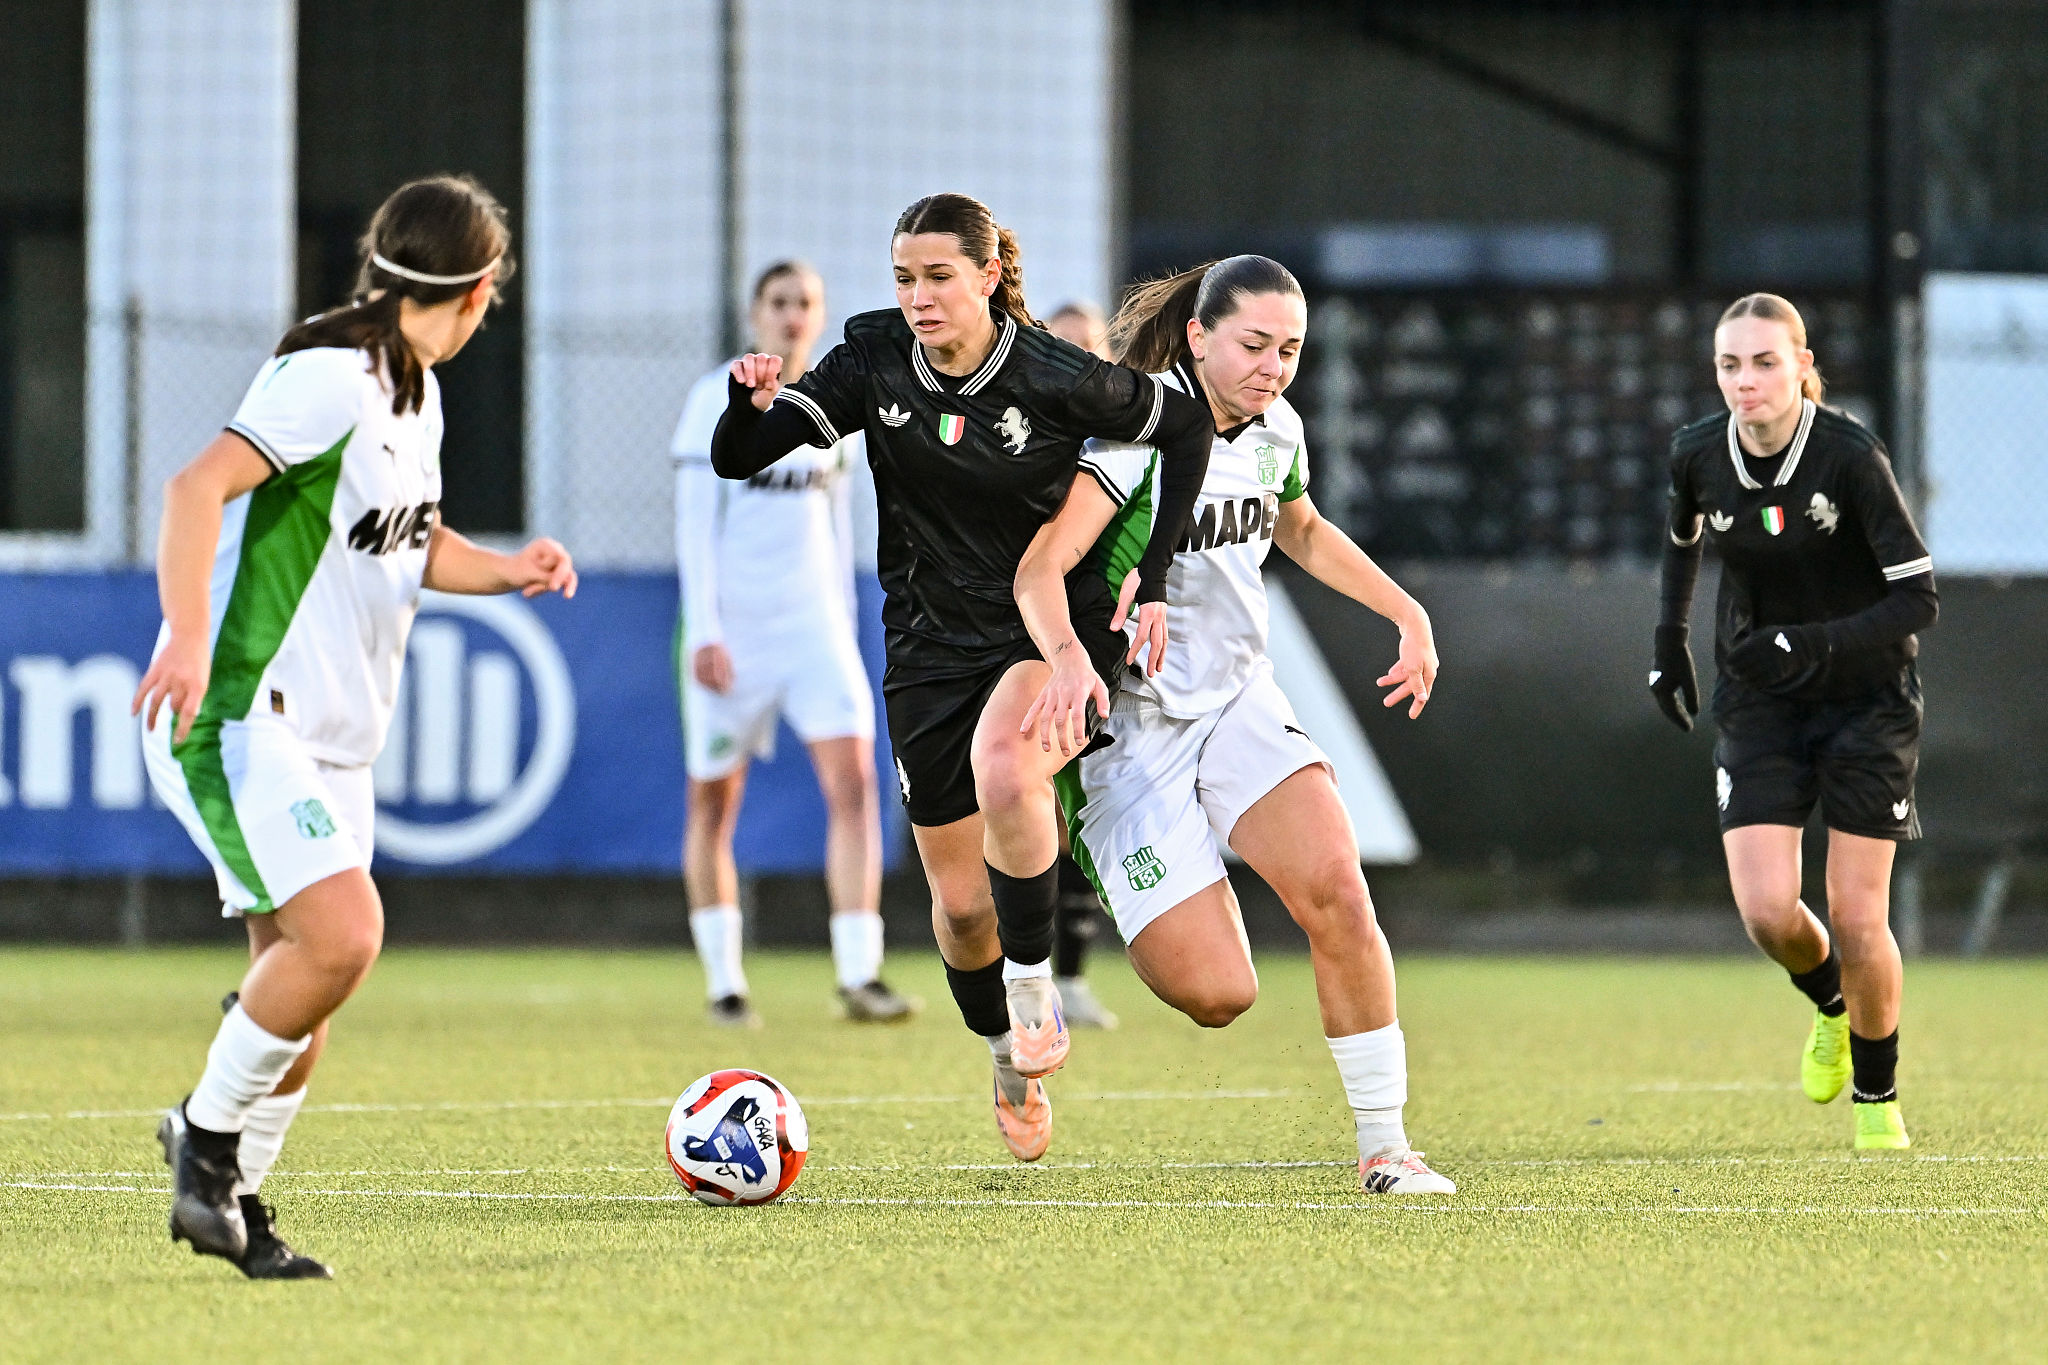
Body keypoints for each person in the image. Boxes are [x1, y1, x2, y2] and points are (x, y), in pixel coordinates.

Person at [132, 175, 578, 1276]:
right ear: (479, 292)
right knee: (343, 937)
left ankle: (232, 1206)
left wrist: (504, 567)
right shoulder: (331, 375)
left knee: (307, 993)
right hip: (238, 710)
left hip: (337, 739)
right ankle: (203, 1139)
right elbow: (196, 490)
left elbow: (408, 541)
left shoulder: (412, 392)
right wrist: (186, 634)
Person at [710, 193, 1214, 1160]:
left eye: (939, 276)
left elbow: (1183, 430)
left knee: (1009, 765)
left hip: (1041, 623)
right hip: (925, 650)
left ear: (988, 276)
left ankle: (1037, 984)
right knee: (959, 906)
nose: (919, 296)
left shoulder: (1052, 371)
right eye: (905, 277)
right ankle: (1002, 1048)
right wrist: (751, 401)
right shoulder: (871, 360)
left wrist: (1151, 579)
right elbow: (741, 458)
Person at [1014, 256, 1456, 1194]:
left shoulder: (1277, 427)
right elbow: (1042, 569)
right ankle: (1068, 935)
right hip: (1130, 735)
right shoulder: (1131, 435)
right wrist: (1067, 654)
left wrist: (1407, 611)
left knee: (1339, 891)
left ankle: (1386, 1146)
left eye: (1290, 349)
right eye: (1254, 344)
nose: (1273, 366)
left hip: (1237, 701)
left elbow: (1297, 526)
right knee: (1219, 995)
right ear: (1199, 337)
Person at [1651, 293, 1936, 1152]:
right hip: (1761, 698)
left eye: (1766, 361)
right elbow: (1682, 539)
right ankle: (1831, 1004)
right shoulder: (1698, 452)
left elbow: (1917, 596)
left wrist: (1807, 642)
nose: (1747, 381)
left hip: (1868, 701)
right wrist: (1669, 643)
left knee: (1856, 917)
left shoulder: (1850, 456)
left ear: (1804, 366)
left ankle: (1878, 1100)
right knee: (1770, 911)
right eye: (1730, 364)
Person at [671, 260, 909, 1027]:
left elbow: (836, 521)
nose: (793, 315)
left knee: (856, 786)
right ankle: (725, 982)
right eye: (779, 302)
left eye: (806, 302)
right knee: (715, 801)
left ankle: (859, 972)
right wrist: (705, 630)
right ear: (754, 315)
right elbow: (693, 527)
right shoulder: (714, 399)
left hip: (814, 629)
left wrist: (841, 614)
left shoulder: (828, 407)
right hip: (733, 632)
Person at [1042, 299, 1118, 1030]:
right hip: (1023, 634)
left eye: (1087, 348)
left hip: (1091, 636)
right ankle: (1025, 971)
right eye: (1061, 347)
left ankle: (1071, 974)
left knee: (1076, 810)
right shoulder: (1025, 431)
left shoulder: (1123, 442)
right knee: (1023, 801)